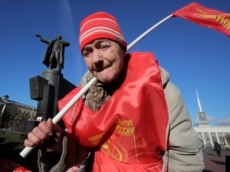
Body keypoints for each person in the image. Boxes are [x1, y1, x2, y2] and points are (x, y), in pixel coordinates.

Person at [24, 12, 204, 172]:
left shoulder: (162, 91)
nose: (96, 59)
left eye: (103, 46)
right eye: (87, 52)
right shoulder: (83, 99)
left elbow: (185, 159)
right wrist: (57, 143)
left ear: (122, 47)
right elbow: (80, 147)